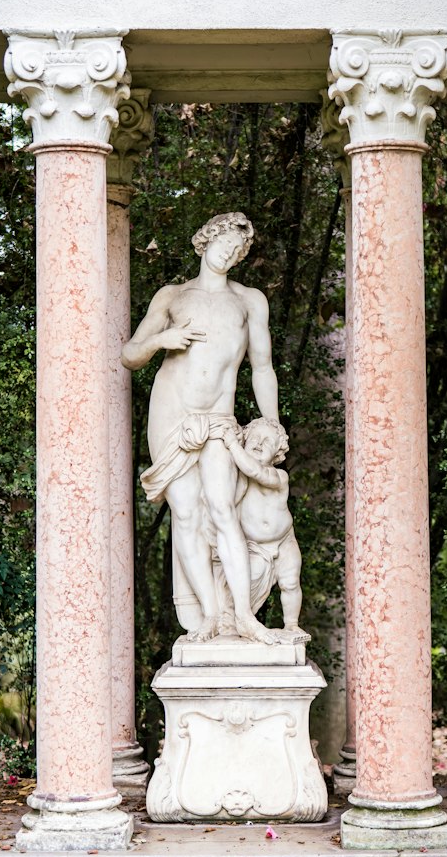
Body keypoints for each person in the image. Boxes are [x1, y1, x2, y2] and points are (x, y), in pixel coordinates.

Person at [121, 211, 282, 643]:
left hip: (219, 418)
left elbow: (262, 368)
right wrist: (161, 341)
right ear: (205, 240)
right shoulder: (173, 296)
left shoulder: (250, 301)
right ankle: (210, 615)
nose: (228, 254)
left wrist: (272, 421)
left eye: (237, 250)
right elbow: (130, 353)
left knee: (223, 507)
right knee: (187, 513)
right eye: (223, 244)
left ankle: (245, 616)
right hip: (171, 413)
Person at [214, 418, 309, 641]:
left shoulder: (278, 476)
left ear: (277, 454)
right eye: (254, 439)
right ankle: (234, 620)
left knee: (291, 582)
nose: (258, 444)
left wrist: (233, 445)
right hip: (255, 546)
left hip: (284, 541)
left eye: (267, 442)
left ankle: (292, 624)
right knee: (245, 583)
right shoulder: (237, 479)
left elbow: (256, 471)